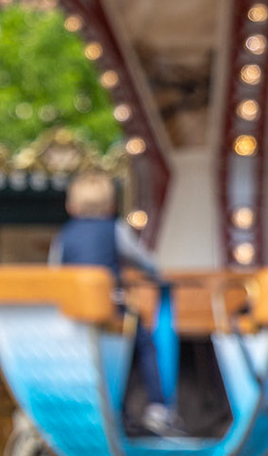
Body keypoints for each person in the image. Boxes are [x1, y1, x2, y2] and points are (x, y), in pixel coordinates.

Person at [48, 170, 180, 435]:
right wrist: (153, 273)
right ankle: (158, 407)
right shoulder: (114, 229)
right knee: (145, 343)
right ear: (111, 206)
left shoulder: (65, 235)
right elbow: (145, 260)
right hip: (109, 307)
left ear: (71, 206)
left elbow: (54, 271)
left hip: (73, 311)